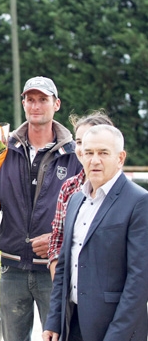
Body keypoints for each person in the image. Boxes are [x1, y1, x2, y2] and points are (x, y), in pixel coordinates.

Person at [0, 76, 82, 341]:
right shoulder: (1, 149)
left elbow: (86, 213)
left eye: (43, 99)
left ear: (57, 104)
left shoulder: (75, 154)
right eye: (30, 99)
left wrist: (58, 241)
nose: (36, 105)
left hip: (55, 270)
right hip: (12, 270)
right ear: (23, 103)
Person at [43, 125, 148, 341]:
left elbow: (139, 281)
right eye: (88, 153)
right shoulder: (75, 200)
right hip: (72, 324)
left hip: (115, 328)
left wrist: (116, 336)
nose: (95, 160)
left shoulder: (139, 201)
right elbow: (64, 265)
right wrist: (54, 321)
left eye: (103, 153)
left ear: (120, 158)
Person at [47, 110, 113, 279]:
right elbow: (57, 240)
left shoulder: (130, 196)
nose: (83, 149)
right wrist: (59, 287)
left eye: (89, 142)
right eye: (78, 142)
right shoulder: (69, 188)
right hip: (72, 292)